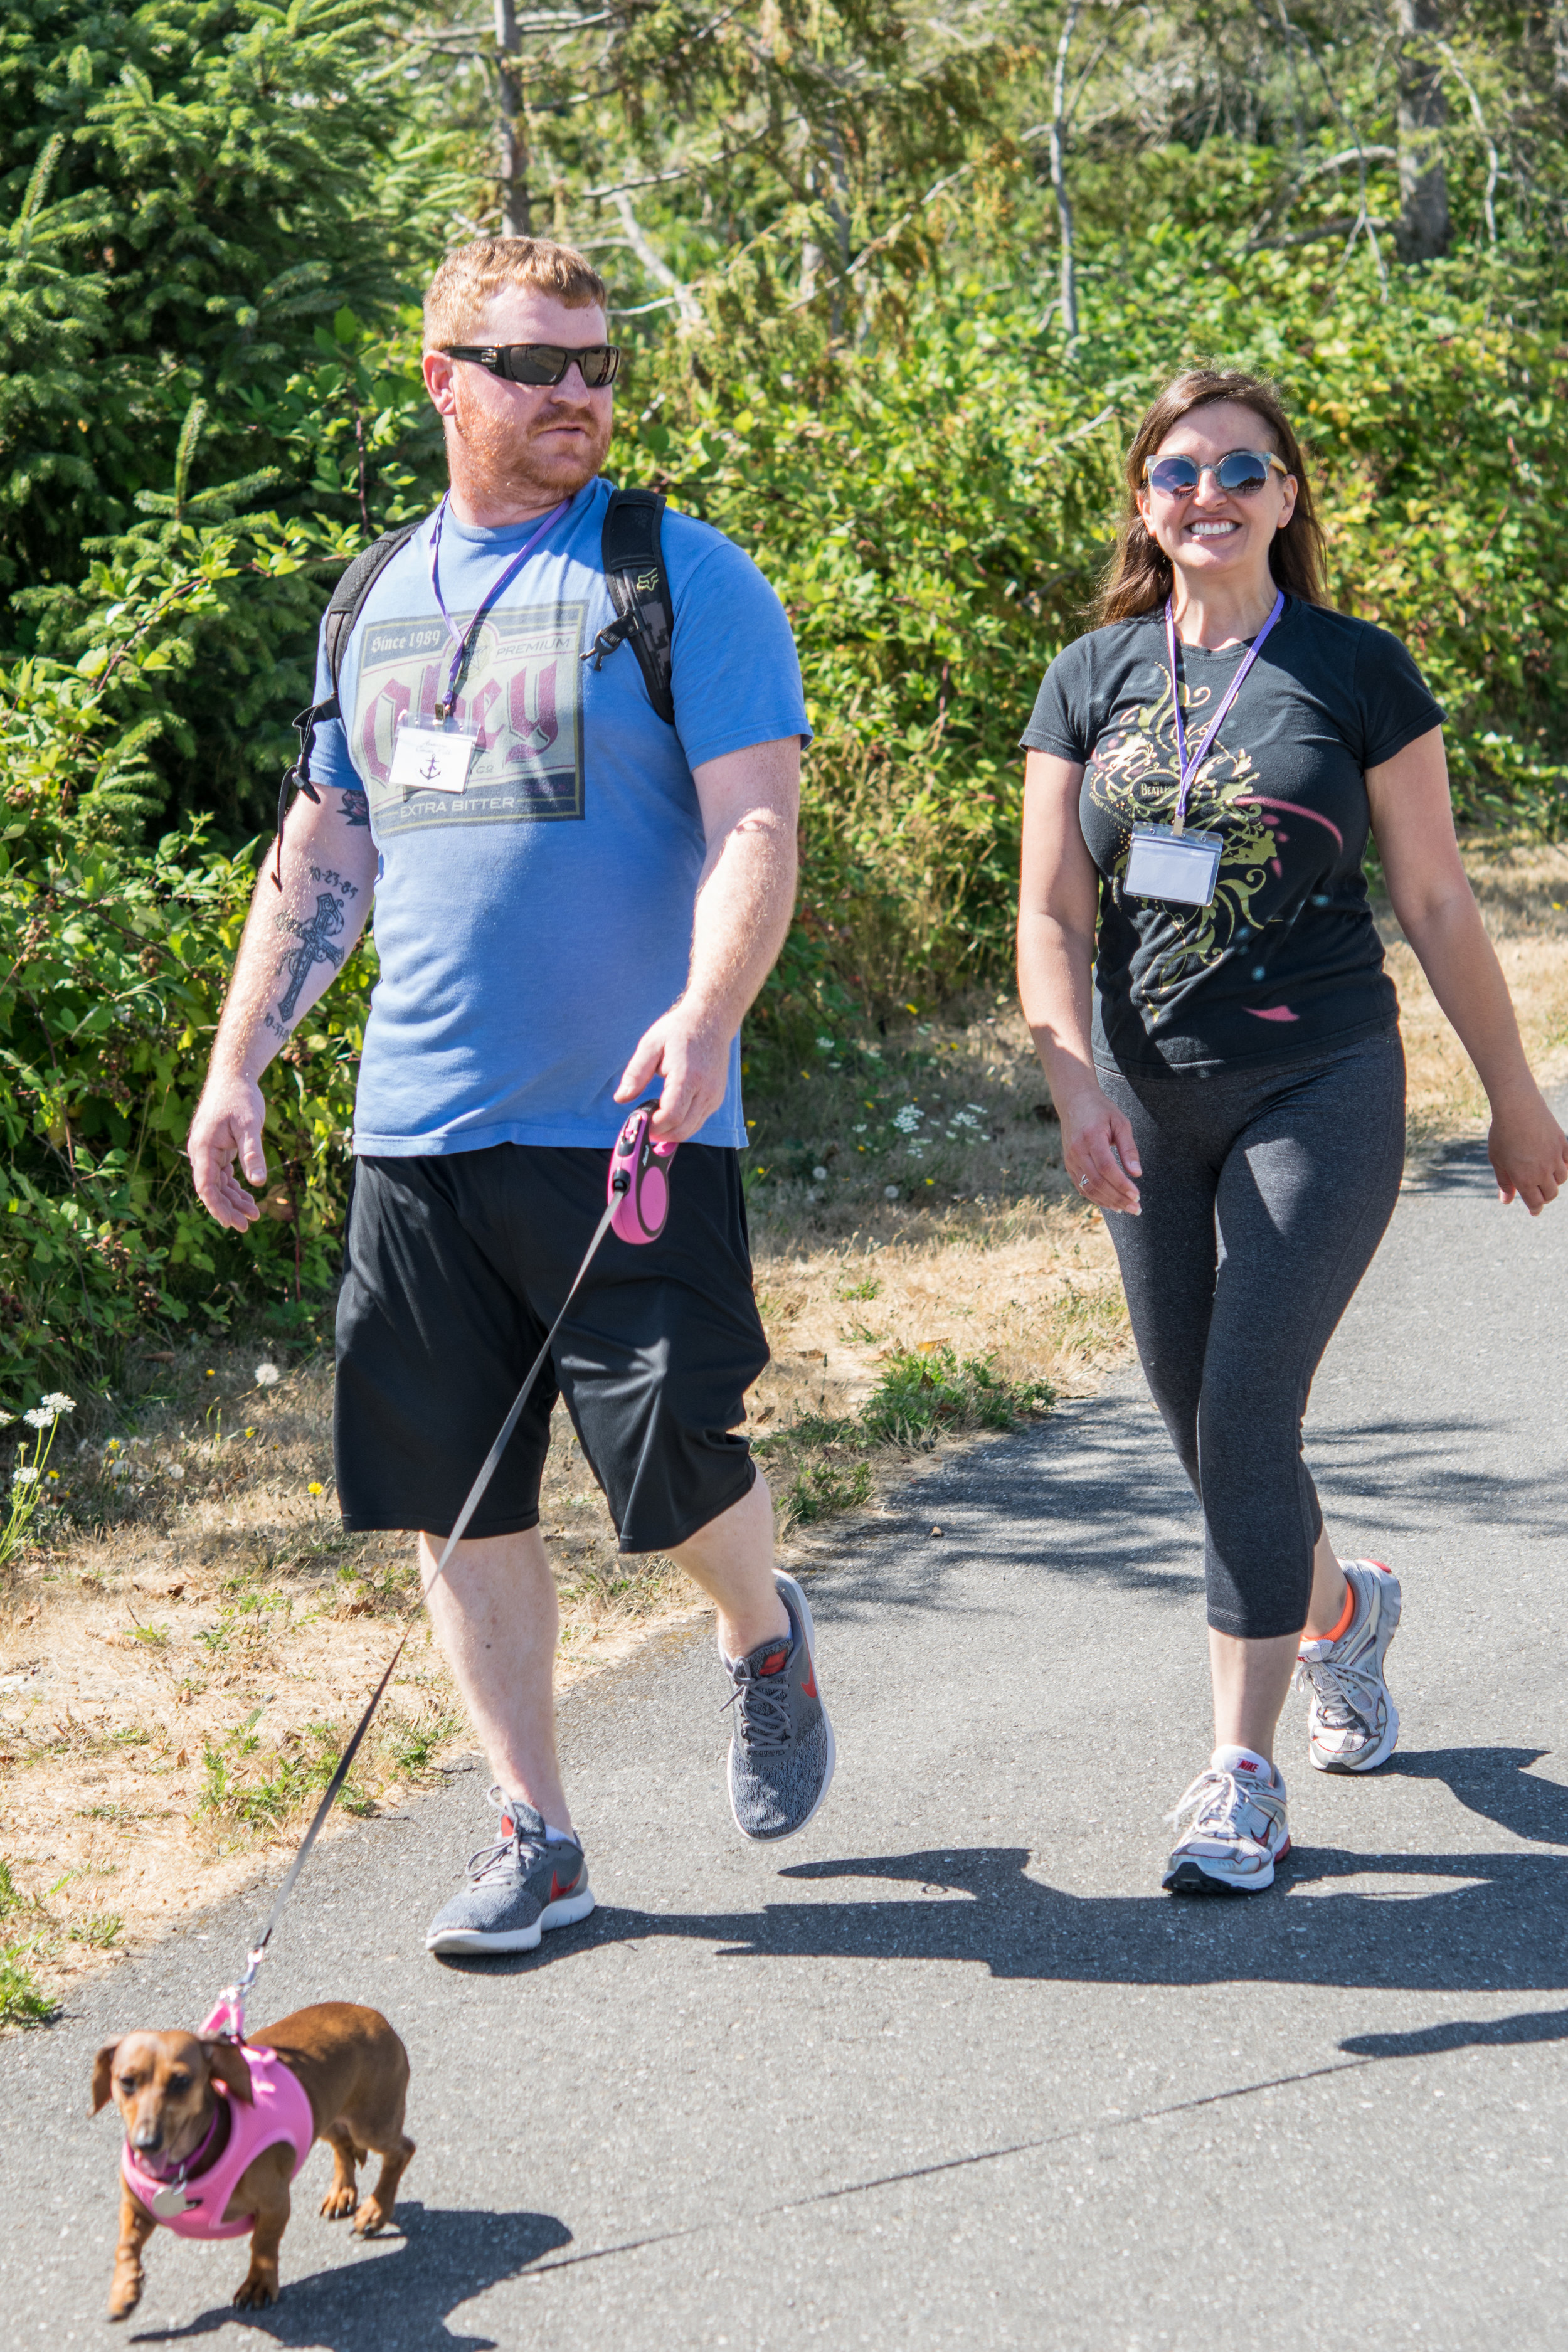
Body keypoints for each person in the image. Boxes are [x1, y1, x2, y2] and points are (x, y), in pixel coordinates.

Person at [188, 235, 834, 1958]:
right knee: (453, 1496)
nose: (577, 396)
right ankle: (538, 1831)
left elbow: (754, 824)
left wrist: (705, 1013)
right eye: (536, 364)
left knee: (674, 1463)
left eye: (599, 366)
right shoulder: (372, 596)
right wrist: (241, 1056)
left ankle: (761, 1632)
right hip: (417, 1127)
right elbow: (324, 840)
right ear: (442, 380)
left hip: (629, 1116)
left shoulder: (677, 572)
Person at [1016, 366, 1566, 1896]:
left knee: (1245, 1422)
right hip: (1137, 1094)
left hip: (1317, 1081)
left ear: (1286, 496)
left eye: (1241, 469)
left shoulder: (1354, 671)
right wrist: (1071, 1085)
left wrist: (1514, 1094)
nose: (1209, 493)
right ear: (1144, 501)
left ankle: (1236, 1777)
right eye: (1178, 470)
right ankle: (1340, 1611)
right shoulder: (1088, 676)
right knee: (1204, 1436)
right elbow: (1052, 909)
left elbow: (1436, 897)